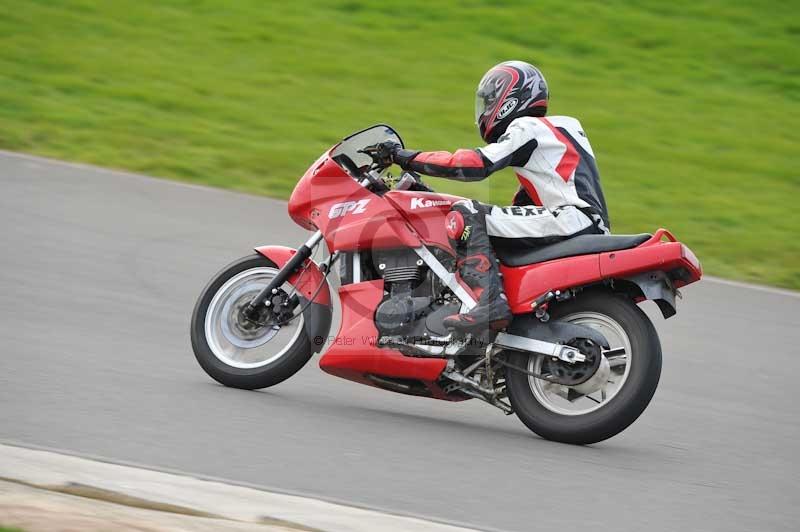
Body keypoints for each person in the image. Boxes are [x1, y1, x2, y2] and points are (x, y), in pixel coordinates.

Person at [380, 61, 611, 332]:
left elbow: (474, 164)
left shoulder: (529, 127)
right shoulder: (560, 134)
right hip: (582, 222)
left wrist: (403, 157)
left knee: (467, 214)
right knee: (481, 223)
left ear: (511, 97)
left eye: (489, 101)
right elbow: (518, 208)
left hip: (571, 220)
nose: (486, 109)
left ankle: (490, 303)